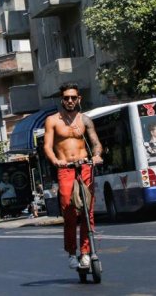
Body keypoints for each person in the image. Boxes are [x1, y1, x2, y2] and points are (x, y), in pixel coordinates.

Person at [43, 82, 103, 270]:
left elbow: (96, 143)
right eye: (66, 98)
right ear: (62, 99)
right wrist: (55, 161)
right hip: (65, 168)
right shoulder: (53, 120)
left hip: (84, 167)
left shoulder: (85, 120)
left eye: (73, 97)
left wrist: (97, 156)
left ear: (79, 99)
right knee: (69, 212)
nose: (70, 101)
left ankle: (86, 252)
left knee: (87, 211)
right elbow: (47, 146)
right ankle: (71, 252)